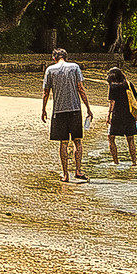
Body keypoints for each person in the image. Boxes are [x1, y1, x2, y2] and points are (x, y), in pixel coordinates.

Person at [41, 47, 93, 182]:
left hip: (59, 111)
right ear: (66, 57)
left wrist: (43, 109)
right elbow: (81, 89)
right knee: (77, 141)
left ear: (54, 58)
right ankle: (78, 171)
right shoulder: (75, 67)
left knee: (63, 143)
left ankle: (65, 175)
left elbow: (46, 92)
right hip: (75, 109)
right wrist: (88, 108)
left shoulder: (50, 70)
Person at [105, 63, 137, 169]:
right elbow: (135, 99)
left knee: (111, 138)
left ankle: (116, 162)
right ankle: (134, 163)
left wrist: (108, 115)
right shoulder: (129, 84)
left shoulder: (113, 86)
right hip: (129, 114)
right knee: (130, 139)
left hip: (117, 115)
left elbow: (112, 103)